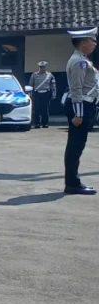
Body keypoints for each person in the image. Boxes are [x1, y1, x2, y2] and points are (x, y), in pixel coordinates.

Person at [65, 28, 99, 195]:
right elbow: (76, 89)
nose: (95, 43)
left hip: (87, 105)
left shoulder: (83, 59)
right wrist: (78, 114)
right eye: (92, 40)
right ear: (83, 42)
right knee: (75, 147)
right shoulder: (79, 62)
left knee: (77, 146)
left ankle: (73, 182)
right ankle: (72, 183)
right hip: (81, 107)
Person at [30, 61, 57, 129]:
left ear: (45, 67)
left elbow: (53, 85)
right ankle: (37, 123)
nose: (42, 69)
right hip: (37, 93)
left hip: (46, 93)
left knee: (45, 109)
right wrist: (30, 94)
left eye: (43, 67)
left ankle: (45, 123)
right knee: (36, 109)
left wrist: (54, 94)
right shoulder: (34, 75)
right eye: (41, 67)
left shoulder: (49, 75)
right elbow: (30, 85)